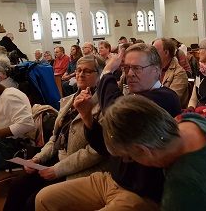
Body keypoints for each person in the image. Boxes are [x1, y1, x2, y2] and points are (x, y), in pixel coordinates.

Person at [35, 44, 181, 211]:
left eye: (137, 68)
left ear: (156, 70)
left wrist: (107, 72)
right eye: (126, 68)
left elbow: (115, 110)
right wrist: (87, 117)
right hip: (110, 179)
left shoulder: (165, 99)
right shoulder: (131, 96)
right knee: (44, 199)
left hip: (139, 192)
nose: (130, 74)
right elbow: (106, 147)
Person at [101, 96, 206, 211]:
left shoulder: (183, 182)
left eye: (130, 157)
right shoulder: (191, 120)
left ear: (143, 150)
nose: (133, 161)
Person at [3, 55, 108, 211]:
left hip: (80, 168)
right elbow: (54, 138)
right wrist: (39, 158)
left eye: (87, 71)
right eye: (78, 70)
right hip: (57, 158)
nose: (80, 74)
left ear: (100, 76)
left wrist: (58, 170)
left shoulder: (104, 105)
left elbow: (95, 152)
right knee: (18, 185)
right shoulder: (69, 100)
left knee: (33, 202)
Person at [0, 57, 34, 170]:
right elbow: (5, 124)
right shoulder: (5, 95)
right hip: (5, 145)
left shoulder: (9, 97)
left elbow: (27, 124)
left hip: (9, 150)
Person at [153, 38, 189, 107]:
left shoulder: (179, 72)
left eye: (155, 51)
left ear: (166, 53)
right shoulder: (153, 69)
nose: (152, 54)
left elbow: (171, 99)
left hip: (169, 112)